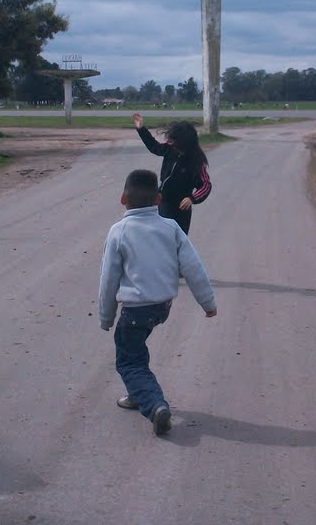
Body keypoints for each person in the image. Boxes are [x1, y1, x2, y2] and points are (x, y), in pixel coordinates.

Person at [98, 169, 217, 436]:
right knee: (135, 351)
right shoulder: (171, 227)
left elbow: (109, 279)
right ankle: (137, 394)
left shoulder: (118, 231)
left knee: (129, 361)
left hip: (135, 310)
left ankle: (154, 405)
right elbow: (193, 267)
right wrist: (208, 302)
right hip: (162, 307)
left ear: (122, 199)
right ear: (158, 199)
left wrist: (106, 317)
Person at [131, 112, 211, 235]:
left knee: (179, 239)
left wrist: (192, 198)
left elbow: (206, 185)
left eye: (176, 144)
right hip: (163, 201)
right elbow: (154, 147)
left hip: (182, 208)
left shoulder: (197, 160)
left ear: (186, 144)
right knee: (161, 236)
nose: (173, 145)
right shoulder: (170, 148)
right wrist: (141, 129)